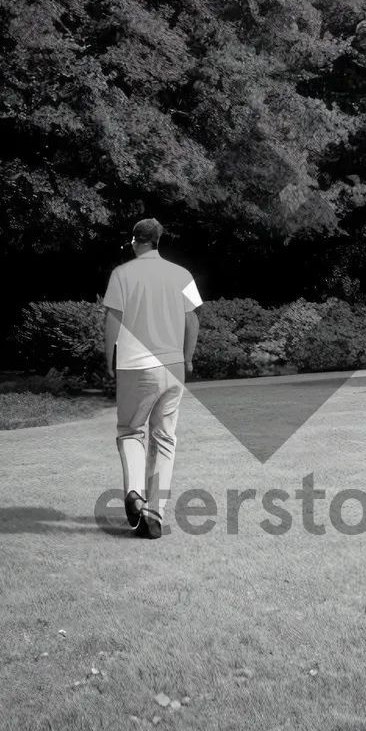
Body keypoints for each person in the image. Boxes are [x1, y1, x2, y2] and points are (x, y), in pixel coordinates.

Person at [102, 218, 201, 539]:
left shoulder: (122, 274)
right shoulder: (182, 274)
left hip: (136, 365)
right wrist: (187, 358)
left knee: (131, 430)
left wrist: (108, 360)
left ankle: (134, 493)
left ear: (135, 240)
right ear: (159, 240)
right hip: (173, 366)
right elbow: (193, 320)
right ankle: (154, 511)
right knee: (165, 438)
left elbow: (112, 321)